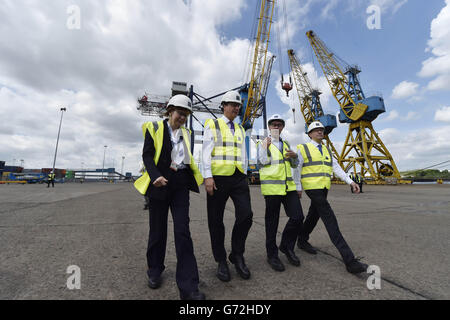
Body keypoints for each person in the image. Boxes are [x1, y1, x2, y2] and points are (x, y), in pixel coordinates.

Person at [134, 94, 205, 300]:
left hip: (180, 183)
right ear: (170, 110)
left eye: (186, 115)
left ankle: (189, 286)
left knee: (183, 231)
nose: (182, 117)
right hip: (159, 183)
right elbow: (147, 155)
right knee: (158, 230)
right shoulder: (154, 128)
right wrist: (155, 176)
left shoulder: (187, 133)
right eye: (180, 113)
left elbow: (187, 158)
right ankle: (155, 269)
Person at [295, 121, 368, 274]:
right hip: (312, 188)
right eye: (316, 130)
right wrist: (298, 187)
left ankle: (301, 240)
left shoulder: (327, 150)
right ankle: (350, 261)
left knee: (313, 216)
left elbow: (337, 168)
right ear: (309, 134)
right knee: (330, 220)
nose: (320, 132)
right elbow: (297, 168)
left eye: (321, 130)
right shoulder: (303, 148)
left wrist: (351, 181)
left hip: (323, 188)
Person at [202, 90, 253, 282]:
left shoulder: (240, 129)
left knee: (246, 215)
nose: (235, 107)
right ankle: (221, 260)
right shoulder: (213, 124)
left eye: (237, 105)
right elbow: (206, 152)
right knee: (216, 221)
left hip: (239, 177)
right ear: (223, 106)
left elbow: (243, 153)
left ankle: (237, 254)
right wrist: (208, 176)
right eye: (231, 104)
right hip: (218, 178)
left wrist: (245, 171)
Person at [257, 114, 304, 272]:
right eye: (274, 124)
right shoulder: (264, 142)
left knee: (298, 217)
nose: (276, 127)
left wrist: (295, 157)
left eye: (279, 124)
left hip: (288, 187)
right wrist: (265, 147)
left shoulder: (286, 144)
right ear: (269, 127)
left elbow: (294, 164)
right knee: (272, 223)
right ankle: (272, 255)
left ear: (283, 127)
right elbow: (262, 162)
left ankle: (286, 246)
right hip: (272, 189)